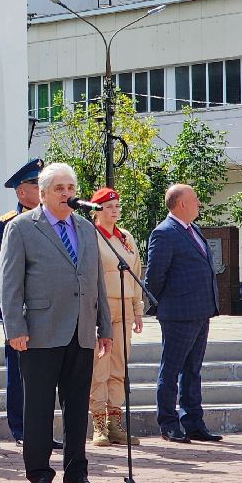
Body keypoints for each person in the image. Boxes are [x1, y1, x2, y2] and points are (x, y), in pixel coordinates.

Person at [0, 161, 112, 483]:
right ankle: (39, 473)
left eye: (71, 188)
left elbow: (96, 282)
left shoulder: (86, 228)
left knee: (77, 406)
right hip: (40, 330)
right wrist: (14, 328)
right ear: (43, 194)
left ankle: (76, 474)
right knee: (39, 405)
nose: (67, 194)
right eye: (59, 189)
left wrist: (103, 325)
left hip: (80, 330)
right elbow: (10, 283)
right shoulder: (21, 228)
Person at [144, 183, 224, 444]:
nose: (199, 203)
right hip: (178, 313)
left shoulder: (193, 230)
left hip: (200, 311)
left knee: (193, 371)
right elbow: (154, 276)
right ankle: (168, 423)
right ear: (182, 204)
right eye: (195, 199)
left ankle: (192, 421)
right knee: (171, 370)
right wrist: (163, 305)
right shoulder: (164, 233)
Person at [0, 157, 44, 447]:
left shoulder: (54, 221)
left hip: (49, 312)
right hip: (20, 312)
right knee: (18, 373)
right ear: (22, 192)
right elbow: (0, 272)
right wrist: (9, 317)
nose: (42, 187)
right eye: (36, 183)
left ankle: (43, 429)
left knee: (45, 374)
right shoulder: (6, 223)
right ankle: (21, 429)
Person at [87, 186, 143, 447]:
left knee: (119, 368)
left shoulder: (126, 237)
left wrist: (137, 310)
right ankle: (98, 424)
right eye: (109, 207)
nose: (114, 211)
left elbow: (136, 275)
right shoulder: (91, 235)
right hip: (103, 307)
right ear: (97, 211)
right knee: (100, 367)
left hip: (125, 308)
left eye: (117, 206)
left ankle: (114, 422)